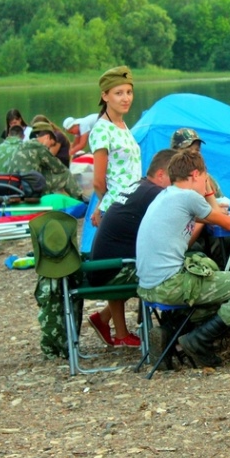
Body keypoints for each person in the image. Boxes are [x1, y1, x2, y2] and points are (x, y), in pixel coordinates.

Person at [136, 149, 230, 367]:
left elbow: (216, 216)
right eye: (205, 177)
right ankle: (200, 340)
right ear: (196, 174)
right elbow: (228, 223)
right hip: (171, 285)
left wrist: (207, 193)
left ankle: (168, 334)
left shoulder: (166, 195)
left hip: (148, 285)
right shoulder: (187, 196)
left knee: (216, 290)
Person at [85, 149, 177, 348]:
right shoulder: (155, 193)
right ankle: (176, 328)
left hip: (100, 265)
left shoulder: (140, 186)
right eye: (174, 178)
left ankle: (108, 322)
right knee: (169, 270)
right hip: (111, 269)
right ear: (161, 174)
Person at [89, 66, 141, 228]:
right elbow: (98, 181)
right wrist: (105, 205)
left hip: (131, 203)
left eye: (129, 92)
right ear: (105, 96)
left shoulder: (122, 125)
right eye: (119, 93)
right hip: (117, 208)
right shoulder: (101, 129)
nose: (126, 98)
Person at [8, 121, 83, 198]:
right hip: (32, 187)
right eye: (51, 144)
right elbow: (59, 168)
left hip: (16, 186)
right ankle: (80, 200)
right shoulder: (40, 147)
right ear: (47, 137)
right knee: (66, 174)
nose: (49, 147)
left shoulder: (22, 145)